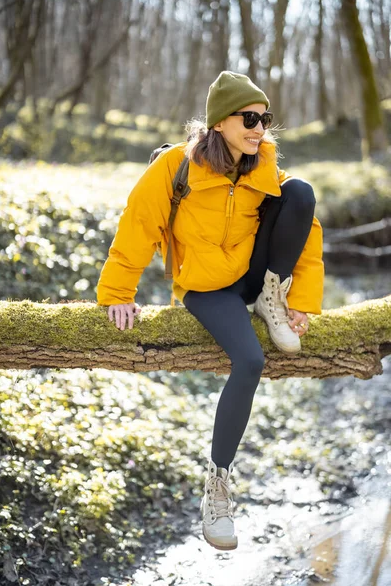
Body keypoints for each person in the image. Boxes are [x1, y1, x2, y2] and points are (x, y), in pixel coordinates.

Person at [97, 71, 324, 551]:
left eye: (264, 118)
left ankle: (271, 299)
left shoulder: (261, 163)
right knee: (250, 361)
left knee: (300, 192)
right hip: (205, 288)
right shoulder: (176, 167)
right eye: (249, 118)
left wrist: (300, 299)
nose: (259, 128)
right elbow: (138, 223)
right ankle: (217, 488)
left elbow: (307, 228)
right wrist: (118, 291)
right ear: (221, 121)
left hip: (251, 273)